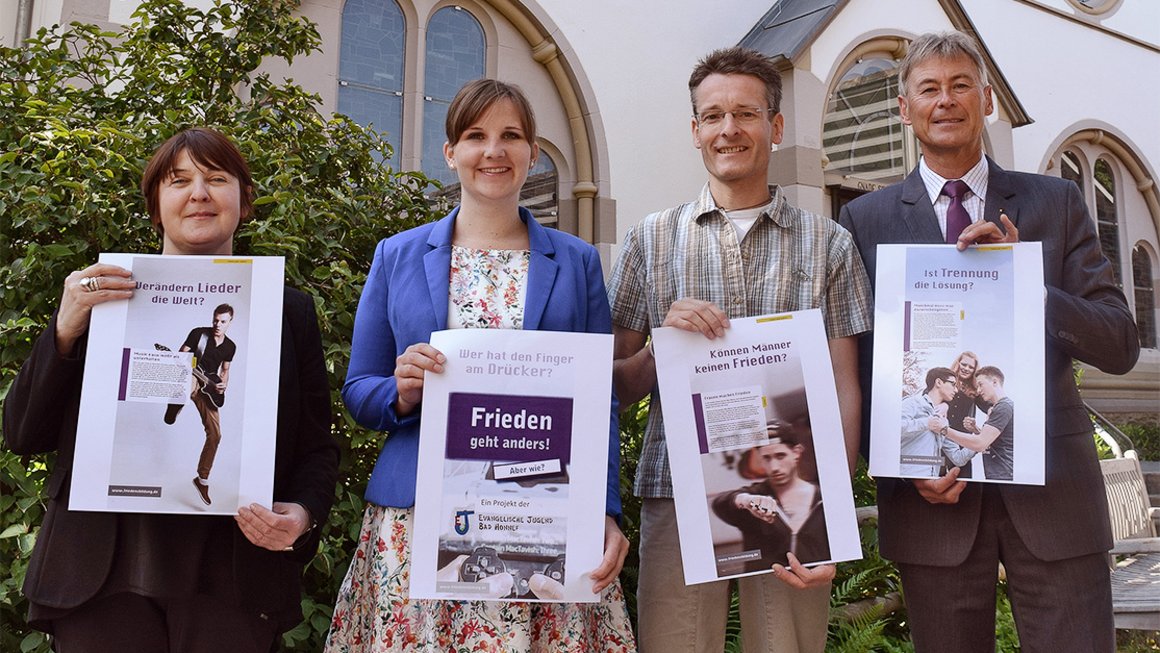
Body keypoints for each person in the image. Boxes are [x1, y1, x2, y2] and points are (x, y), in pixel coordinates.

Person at [838, 30, 1140, 652]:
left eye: (959, 85)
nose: (944, 101)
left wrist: (1027, 284)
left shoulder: (1053, 201)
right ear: (904, 108)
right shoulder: (864, 222)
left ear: (987, 100)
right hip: (932, 501)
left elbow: (1119, 343)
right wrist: (905, 464)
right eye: (928, 89)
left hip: (1054, 495)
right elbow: (858, 369)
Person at [3, 127, 340, 652]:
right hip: (101, 576)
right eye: (178, 180)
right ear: (155, 206)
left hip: (231, 578)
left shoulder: (287, 312)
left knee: (210, 430)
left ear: (244, 201)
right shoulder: (100, 298)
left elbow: (316, 445)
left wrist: (301, 514)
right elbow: (23, 433)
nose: (198, 193)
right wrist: (66, 327)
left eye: (216, 179)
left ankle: (198, 468)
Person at [326, 79, 634, 652]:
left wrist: (607, 510)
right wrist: (401, 390)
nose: (493, 150)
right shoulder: (396, 254)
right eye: (476, 136)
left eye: (510, 136)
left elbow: (601, 402)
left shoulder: (577, 261)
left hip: (546, 520)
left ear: (533, 152)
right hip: (420, 519)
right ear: (451, 153)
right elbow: (358, 391)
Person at [607, 47, 871, 652]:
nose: (730, 129)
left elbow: (842, 379)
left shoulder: (828, 242)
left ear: (775, 128)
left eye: (746, 114)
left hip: (793, 495)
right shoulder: (650, 240)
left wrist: (829, 509)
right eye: (714, 115)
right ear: (695, 130)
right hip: (677, 487)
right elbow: (614, 382)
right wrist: (662, 350)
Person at [711, 428, 829, 573]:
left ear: (796, 452)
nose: (774, 467)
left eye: (780, 456)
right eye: (767, 458)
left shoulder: (823, 497)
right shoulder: (754, 495)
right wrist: (745, 500)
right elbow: (721, 503)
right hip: (766, 585)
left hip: (814, 579)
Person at [164, 303, 239, 505]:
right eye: (215, 319)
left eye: (223, 321)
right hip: (191, 375)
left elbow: (225, 370)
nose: (217, 324)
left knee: (216, 435)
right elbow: (182, 353)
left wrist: (223, 386)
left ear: (230, 322)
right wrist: (185, 362)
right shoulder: (199, 333)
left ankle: (202, 479)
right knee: (190, 382)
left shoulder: (230, 346)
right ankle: (176, 401)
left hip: (209, 388)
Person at [943, 365, 1014, 481]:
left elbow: (981, 444)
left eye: (981, 385)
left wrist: (943, 430)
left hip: (1003, 474)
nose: (979, 390)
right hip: (998, 473)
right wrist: (976, 430)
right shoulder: (999, 407)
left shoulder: (1003, 407)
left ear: (995, 382)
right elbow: (995, 441)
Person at [899, 367, 973, 477]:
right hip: (906, 481)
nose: (956, 390)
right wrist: (926, 423)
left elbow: (958, 458)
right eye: (953, 384)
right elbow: (893, 430)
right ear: (938, 382)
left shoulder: (943, 422)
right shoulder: (912, 403)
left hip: (931, 483)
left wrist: (980, 442)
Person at [940, 351, 988, 477]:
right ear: (958, 363)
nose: (966, 369)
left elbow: (991, 408)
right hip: (940, 438)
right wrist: (943, 406)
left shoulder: (975, 390)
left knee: (963, 479)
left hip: (962, 441)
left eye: (971, 367)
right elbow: (928, 396)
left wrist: (977, 428)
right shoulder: (945, 380)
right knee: (938, 476)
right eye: (964, 364)